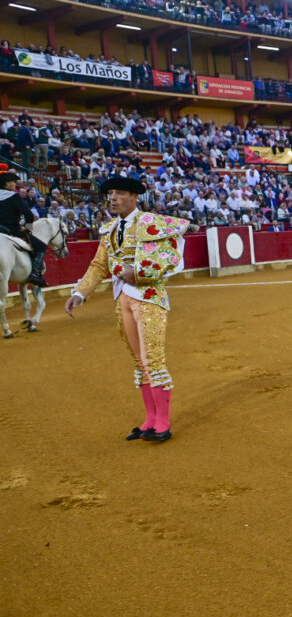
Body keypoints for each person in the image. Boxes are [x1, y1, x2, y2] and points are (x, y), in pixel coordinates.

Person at [64, 175, 190, 443]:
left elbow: (171, 257)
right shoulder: (109, 230)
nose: (113, 198)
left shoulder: (152, 223)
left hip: (149, 297)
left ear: (134, 197)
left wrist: (140, 271)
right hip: (122, 297)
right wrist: (80, 293)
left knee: (153, 359)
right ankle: (150, 420)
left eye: (119, 193)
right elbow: (99, 265)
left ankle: (163, 423)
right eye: (110, 193)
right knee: (139, 361)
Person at [0, 168, 47, 287]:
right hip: (12, 231)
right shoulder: (14, 197)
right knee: (41, 246)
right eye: (13, 182)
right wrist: (28, 228)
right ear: (6, 184)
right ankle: (35, 274)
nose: (15, 185)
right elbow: (28, 215)